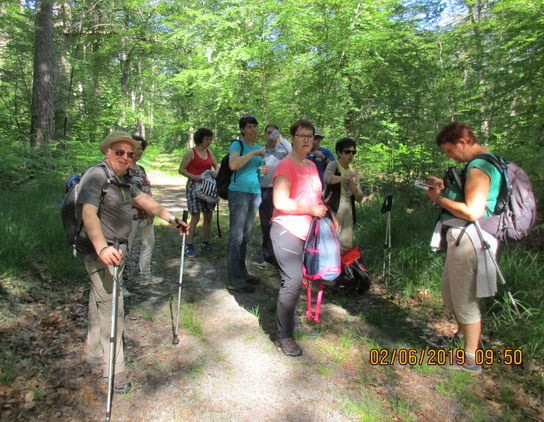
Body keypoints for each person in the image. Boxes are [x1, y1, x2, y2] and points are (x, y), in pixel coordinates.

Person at [78, 131, 188, 393]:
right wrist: (102, 248)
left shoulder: (124, 178)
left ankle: (95, 352)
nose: (125, 157)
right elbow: (88, 214)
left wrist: (171, 219)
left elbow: (145, 201)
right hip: (102, 252)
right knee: (113, 307)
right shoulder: (96, 176)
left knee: (101, 299)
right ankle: (115, 372)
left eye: (129, 153)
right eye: (119, 152)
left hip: (117, 249)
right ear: (107, 152)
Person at [425, 122, 502, 375]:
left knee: (465, 298)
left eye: (449, 150)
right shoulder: (482, 164)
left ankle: (470, 359)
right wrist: (445, 192)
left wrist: (439, 199)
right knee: (452, 291)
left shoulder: (480, 166)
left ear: (462, 142)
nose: (449, 156)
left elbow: (473, 211)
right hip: (465, 238)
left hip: (471, 239)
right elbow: (469, 200)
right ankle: (461, 341)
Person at [271, 119, 327, 356]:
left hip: (307, 232)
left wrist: (321, 211)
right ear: (291, 138)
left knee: (297, 281)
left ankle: (291, 320)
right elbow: (280, 202)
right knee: (292, 281)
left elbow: (314, 196)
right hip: (287, 230)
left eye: (310, 135)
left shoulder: (311, 165)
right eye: (301, 135)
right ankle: (284, 336)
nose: (306, 139)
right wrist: (312, 210)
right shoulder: (286, 165)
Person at [226, 115, 269, 293]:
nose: (253, 130)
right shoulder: (238, 145)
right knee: (236, 237)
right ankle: (233, 278)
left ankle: (242, 273)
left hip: (254, 193)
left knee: (244, 236)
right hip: (239, 193)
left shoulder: (259, 148)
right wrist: (252, 154)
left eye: (255, 127)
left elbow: (258, 173)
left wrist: (263, 171)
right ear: (243, 129)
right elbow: (233, 165)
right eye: (249, 127)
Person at [126, 135, 163, 286]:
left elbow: (147, 191)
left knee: (149, 244)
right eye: (137, 148)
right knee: (124, 249)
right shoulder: (124, 169)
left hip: (146, 213)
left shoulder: (141, 169)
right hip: (130, 214)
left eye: (142, 148)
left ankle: (145, 277)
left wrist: (151, 209)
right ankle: (119, 286)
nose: (140, 151)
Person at [178, 127, 220, 257]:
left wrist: (216, 171)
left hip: (208, 187)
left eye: (210, 139)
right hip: (193, 187)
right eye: (206, 139)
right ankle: (189, 245)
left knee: (208, 215)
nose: (209, 141)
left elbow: (216, 164)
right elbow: (181, 169)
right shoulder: (191, 153)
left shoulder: (209, 152)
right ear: (200, 139)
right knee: (195, 216)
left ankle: (205, 242)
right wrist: (194, 177)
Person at [257, 124, 292, 270]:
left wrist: (281, 138)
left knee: (280, 225)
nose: (271, 136)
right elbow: (256, 171)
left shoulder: (283, 151)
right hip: (263, 191)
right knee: (266, 225)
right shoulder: (260, 151)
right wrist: (259, 171)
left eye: (274, 133)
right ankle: (268, 257)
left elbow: (293, 152)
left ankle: (281, 258)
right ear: (264, 135)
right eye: (269, 133)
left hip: (280, 192)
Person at [323, 138, 363, 253]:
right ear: (339, 152)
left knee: (346, 242)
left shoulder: (354, 172)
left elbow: (359, 198)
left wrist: (354, 189)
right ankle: (331, 267)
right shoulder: (334, 165)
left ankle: (344, 268)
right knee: (331, 240)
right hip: (334, 206)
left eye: (353, 152)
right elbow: (327, 178)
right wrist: (344, 178)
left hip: (348, 208)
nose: (351, 155)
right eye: (347, 152)